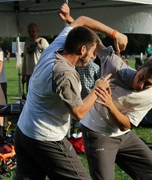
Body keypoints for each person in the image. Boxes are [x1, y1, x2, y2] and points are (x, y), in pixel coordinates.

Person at [14, 3, 128, 180]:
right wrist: (97, 89)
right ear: (82, 49)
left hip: (24, 131)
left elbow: (82, 21)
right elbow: (79, 113)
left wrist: (115, 34)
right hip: (45, 138)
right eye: (92, 52)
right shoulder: (64, 73)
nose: (93, 57)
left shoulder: (57, 46)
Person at [61, 4, 152, 180]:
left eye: (147, 84)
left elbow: (126, 125)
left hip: (123, 134)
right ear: (138, 68)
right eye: (141, 78)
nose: (140, 85)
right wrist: (72, 21)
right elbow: (94, 41)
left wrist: (110, 105)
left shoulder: (150, 97)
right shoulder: (116, 66)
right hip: (97, 131)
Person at [22, 23, 49, 93]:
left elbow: (49, 56)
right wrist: (23, 74)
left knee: (39, 93)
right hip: (29, 74)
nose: (31, 33)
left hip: (40, 73)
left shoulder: (43, 41)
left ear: (37, 31)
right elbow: (24, 59)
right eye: (29, 31)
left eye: (33, 31)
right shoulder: (27, 43)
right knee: (30, 94)